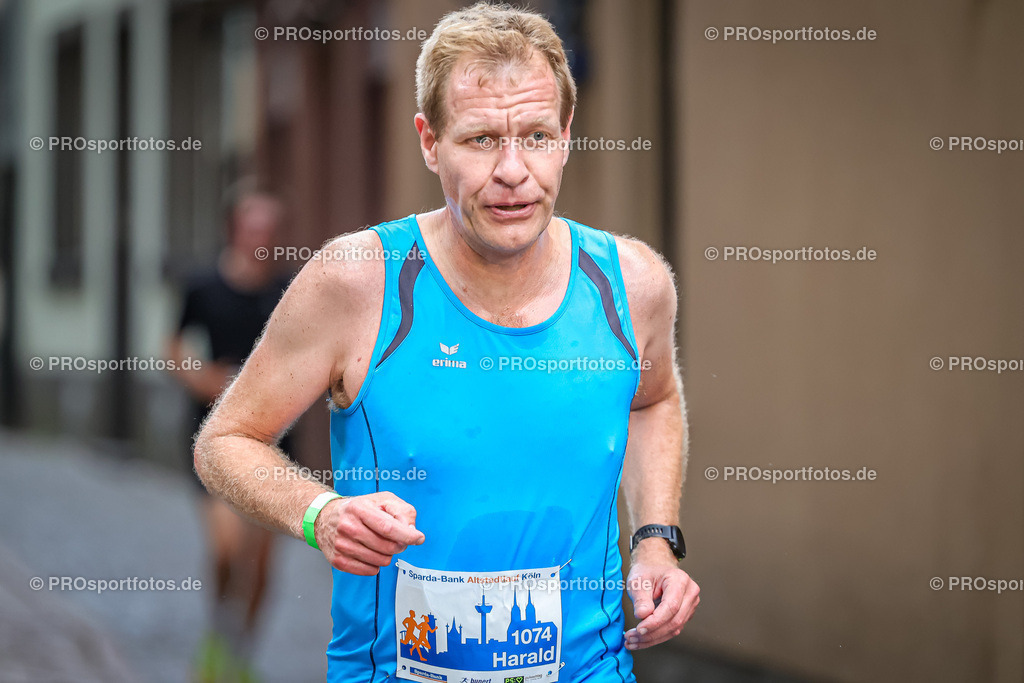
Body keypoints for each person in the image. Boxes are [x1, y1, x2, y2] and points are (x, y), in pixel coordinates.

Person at [194, 4, 699, 681]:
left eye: (537, 136)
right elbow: (224, 440)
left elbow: (651, 401)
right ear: (429, 141)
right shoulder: (358, 281)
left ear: (567, 135)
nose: (514, 170)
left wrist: (655, 541)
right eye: (482, 139)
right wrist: (320, 513)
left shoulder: (631, 283)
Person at [167, 189, 292, 682]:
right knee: (225, 547)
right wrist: (200, 378)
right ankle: (218, 633)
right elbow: (173, 346)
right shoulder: (203, 286)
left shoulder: (288, 289)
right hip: (214, 435)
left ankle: (240, 651)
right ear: (234, 232)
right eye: (251, 229)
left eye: (268, 231)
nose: (259, 239)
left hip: (275, 436)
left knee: (261, 563)